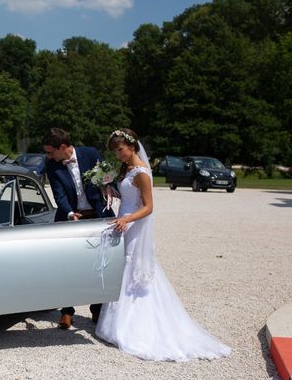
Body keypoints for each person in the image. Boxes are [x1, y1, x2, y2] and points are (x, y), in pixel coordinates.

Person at [96, 128, 231, 361]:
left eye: (120, 150)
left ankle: (135, 326)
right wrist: (110, 190)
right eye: (115, 151)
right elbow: (129, 198)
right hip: (124, 223)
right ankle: (115, 324)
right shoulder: (127, 169)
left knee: (133, 267)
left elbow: (148, 207)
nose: (118, 155)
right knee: (122, 268)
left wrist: (127, 219)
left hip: (134, 225)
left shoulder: (142, 173)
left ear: (132, 146)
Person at [42, 128, 114, 329]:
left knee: (99, 264)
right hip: (71, 218)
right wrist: (69, 213)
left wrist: (107, 183)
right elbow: (59, 195)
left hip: (97, 216)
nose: (47, 156)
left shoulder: (90, 153)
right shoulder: (51, 164)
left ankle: (97, 310)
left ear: (62, 147)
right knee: (67, 266)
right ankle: (66, 311)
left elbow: (108, 178)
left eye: (50, 151)